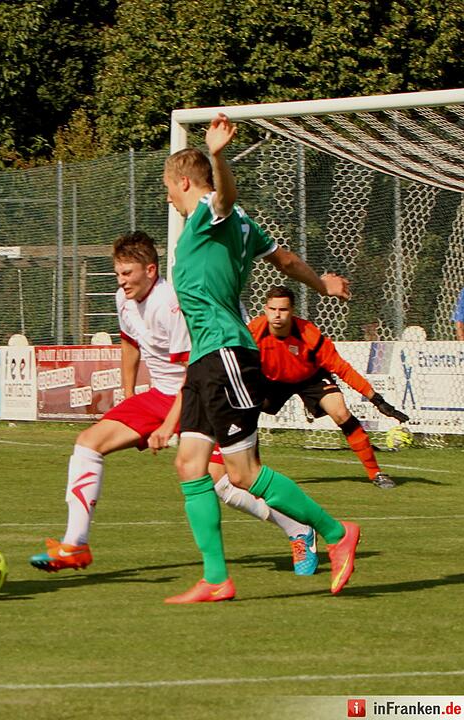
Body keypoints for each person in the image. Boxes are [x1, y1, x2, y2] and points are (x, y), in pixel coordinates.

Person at [29, 231, 319, 577]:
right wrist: (127, 395)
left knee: (225, 482)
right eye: (118, 274)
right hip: (159, 396)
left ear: (150, 270)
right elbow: (130, 344)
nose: (122, 282)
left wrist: (168, 424)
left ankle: (299, 530)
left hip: (200, 395)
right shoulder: (124, 299)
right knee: (87, 445)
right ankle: (75, 543)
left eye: (128, 274)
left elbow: (194, 374)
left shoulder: (173, 305)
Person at [162, 113, 360, 604]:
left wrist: (220, 156)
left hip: (228, 352)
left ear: (184, 181)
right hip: (207, 360)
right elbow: (287, 261)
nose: (166, 196)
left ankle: (335, 533)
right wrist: (324, 284)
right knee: (190, 465)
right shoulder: (241, 227)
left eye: (167, 187)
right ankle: (216, 578)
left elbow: (224, 196)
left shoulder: (212, 210)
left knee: (243, 473)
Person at [250, 286, 409, 489]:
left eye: (283, 309)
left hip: (310, 377)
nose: (277, 315)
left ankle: (375, 473)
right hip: (273, 380)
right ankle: (251, 472)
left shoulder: (308, 334)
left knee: (341, 413)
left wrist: (377, 400)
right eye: (273, 309)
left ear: (293, 311)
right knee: (245, 414)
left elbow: (342, 368)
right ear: (265, 309)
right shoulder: (253, 332)